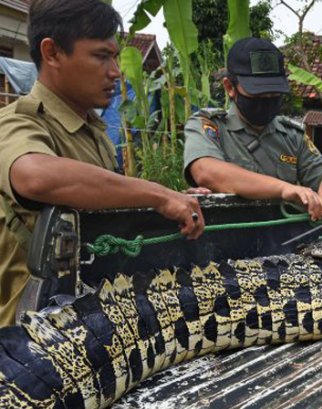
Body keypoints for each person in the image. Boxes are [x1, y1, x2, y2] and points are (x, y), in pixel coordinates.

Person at [0, 0, 207, 326]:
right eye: (100, 56)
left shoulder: (95, 134)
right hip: (28, 341)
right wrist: (159, 195)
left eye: (114, 56)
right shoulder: (16, 122)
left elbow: (107, 207)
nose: (115, 71)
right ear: (52, 53)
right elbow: (35, 176)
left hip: (90, 323)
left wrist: (178, 199)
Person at [183, 37, 322, 221]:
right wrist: (285, 189)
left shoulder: (292, 136)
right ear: (230, 87)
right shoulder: (210, 125)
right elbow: (206, 171)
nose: (267, 99)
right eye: (258, 93)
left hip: (282, 240)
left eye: (274, 93)